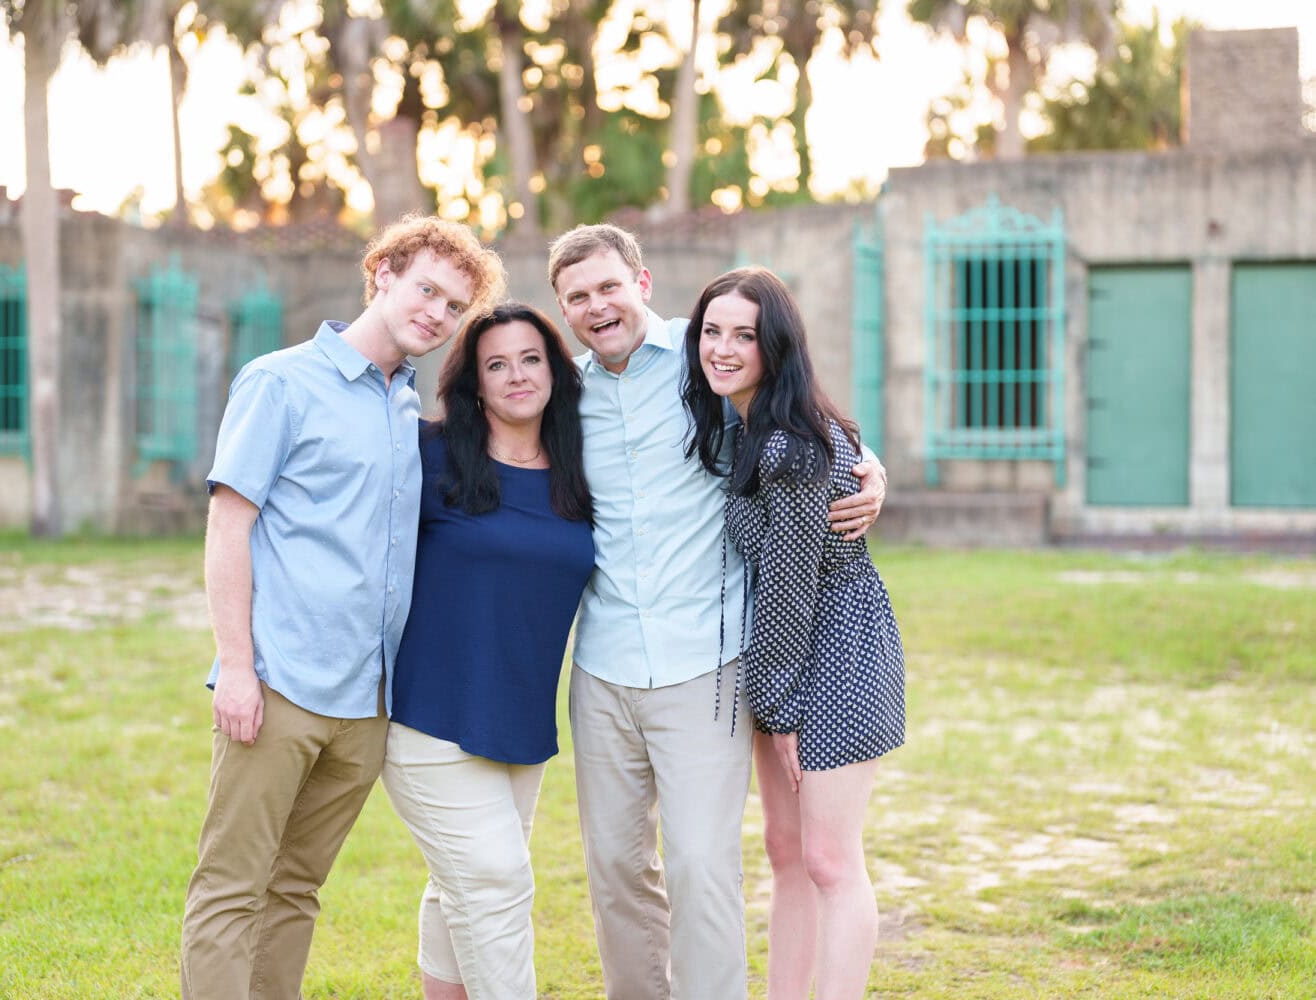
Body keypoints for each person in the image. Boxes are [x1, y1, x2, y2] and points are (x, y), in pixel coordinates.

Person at [546, 224, 888, 1000]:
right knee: (615, 869)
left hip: (705, 661)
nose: (597, 307)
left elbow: (805, 424)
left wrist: (870, 469)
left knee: (703, 865)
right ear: (562, 309)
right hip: (602, 665)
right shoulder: (561, 396)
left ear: (642, 282)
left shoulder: (707, 361)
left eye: (608, 286)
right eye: (577, 297)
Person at [179, 216, 505, 1000]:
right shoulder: (280, 381)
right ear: (384, 272)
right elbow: (230, 523)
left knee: (295, 889)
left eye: (454, 305)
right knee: (231, 887)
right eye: (427, 288)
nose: (436, 312)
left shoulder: (405, 406)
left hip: (366, 707)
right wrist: (236, 668)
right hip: (280, 686)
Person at [682, 267, 905, 1000]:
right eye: (711, 331)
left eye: (743, 335)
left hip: (836, 650)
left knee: (832, 861)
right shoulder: (755, 424)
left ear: (774, 346)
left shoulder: (786, 446)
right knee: (785, 851)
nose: (722, 348)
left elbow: (788, 588)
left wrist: (778, 711)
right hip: (794, 653)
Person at [381, 302, 596, 1000]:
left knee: (463, 886)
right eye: (495, 365)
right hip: (428, 716)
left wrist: (860, 460)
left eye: (530, 359)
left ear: (556, 371)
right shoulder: (428, 454)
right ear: (474, 384)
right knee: (497, 883)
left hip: (520, 722)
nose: (515, 376)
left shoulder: (581, 466)